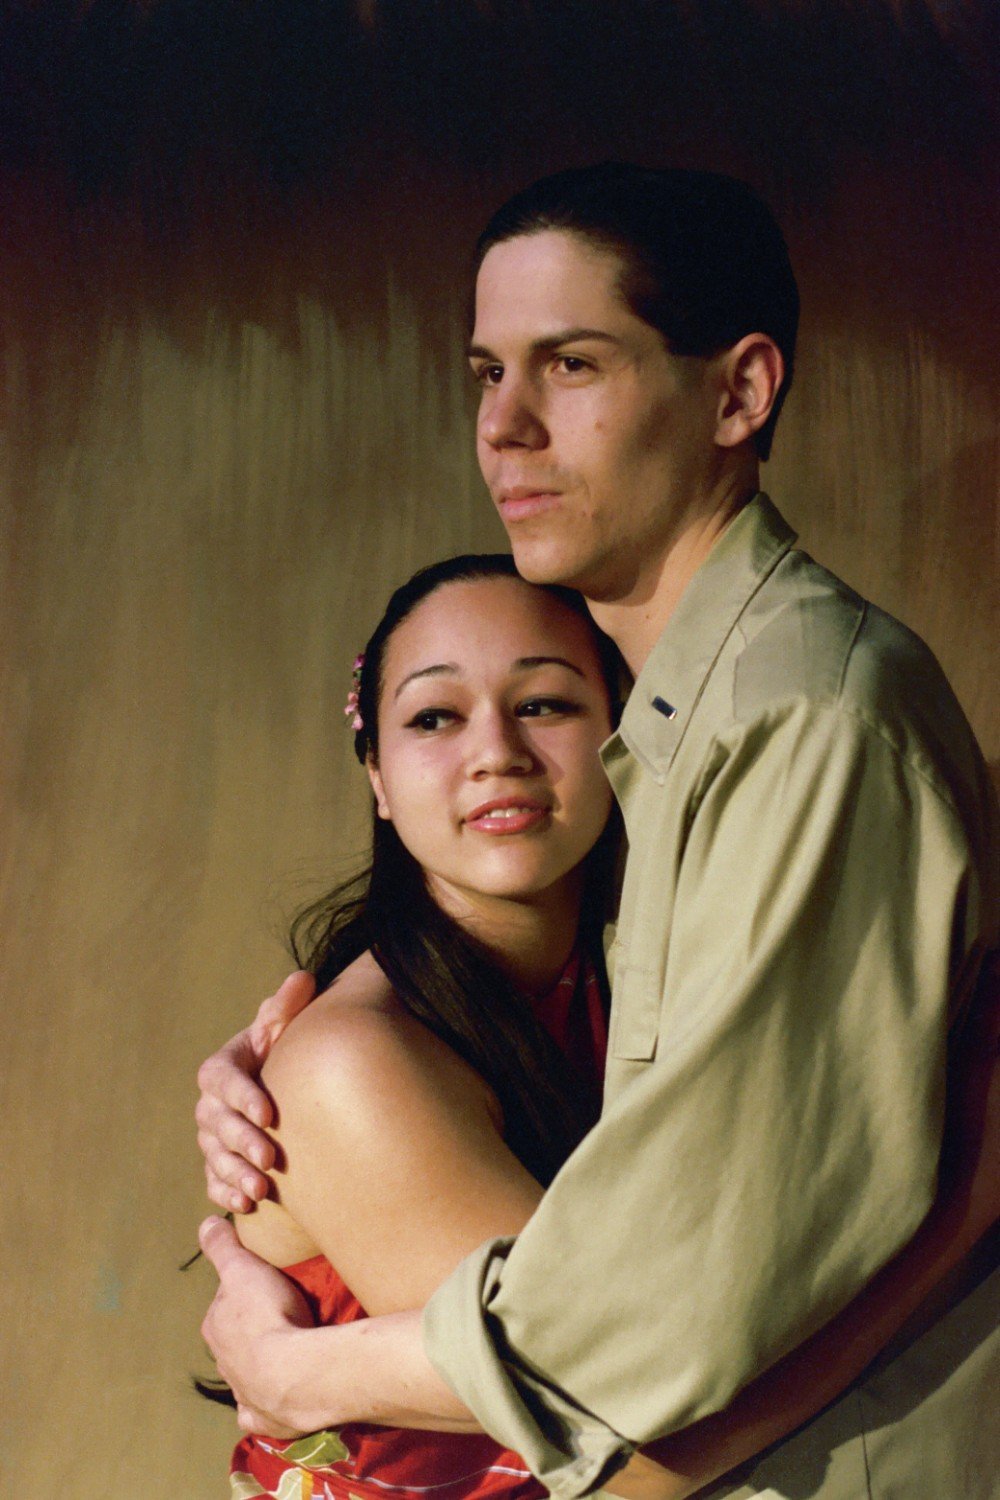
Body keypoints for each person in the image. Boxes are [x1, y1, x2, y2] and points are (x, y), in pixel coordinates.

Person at [198, 165, 1000, 1498]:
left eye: (570, 365)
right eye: (485, 373)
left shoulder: (798, 719)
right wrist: (285, 1074)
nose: (501, 427)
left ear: (740, 394)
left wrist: (313, 1372)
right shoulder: (673, 741)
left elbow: (659, 1327)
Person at [214, 551, 624, 1498]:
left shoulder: (632, 965)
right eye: (435, 717)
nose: (497, 752)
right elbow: (604, 1377)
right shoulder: (353, 1060)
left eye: (544, 704)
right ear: (380, 779)